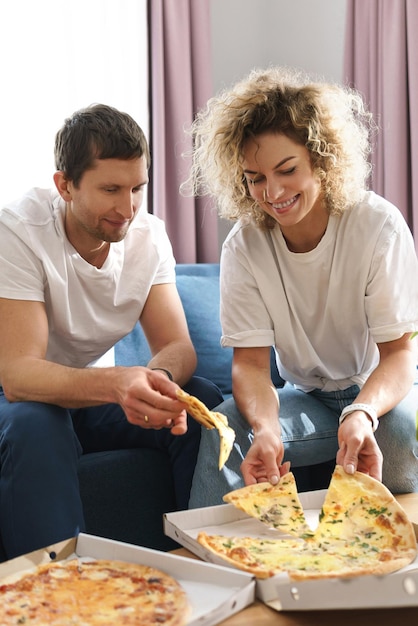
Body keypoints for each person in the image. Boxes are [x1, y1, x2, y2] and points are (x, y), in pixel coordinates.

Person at [185, 66, 418, 508]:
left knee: (401, 431)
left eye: (286, 170)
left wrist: (362, 412)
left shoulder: (378, 226)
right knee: (228, 431)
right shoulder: (245, 245)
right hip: (306, 397)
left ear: (322, 158)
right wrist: (267, 428)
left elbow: (400, 355)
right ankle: (211, 566)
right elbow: (251, 366)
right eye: (254, 178)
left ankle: (394, 563)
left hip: (382, 395)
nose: (272, 192)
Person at [0, 104, 223, 560]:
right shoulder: (18, 232)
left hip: (85, 393)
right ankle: (57, 593)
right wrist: (118, 384)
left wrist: (154, 381)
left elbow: (177, 346)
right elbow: (19, 376)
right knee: (37, 423)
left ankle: (209, 564)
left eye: (137, 188)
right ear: (65, 185)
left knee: (198, 402)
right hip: (15, 398)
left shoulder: (149, 237)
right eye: (110, 189)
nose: (128, 208)